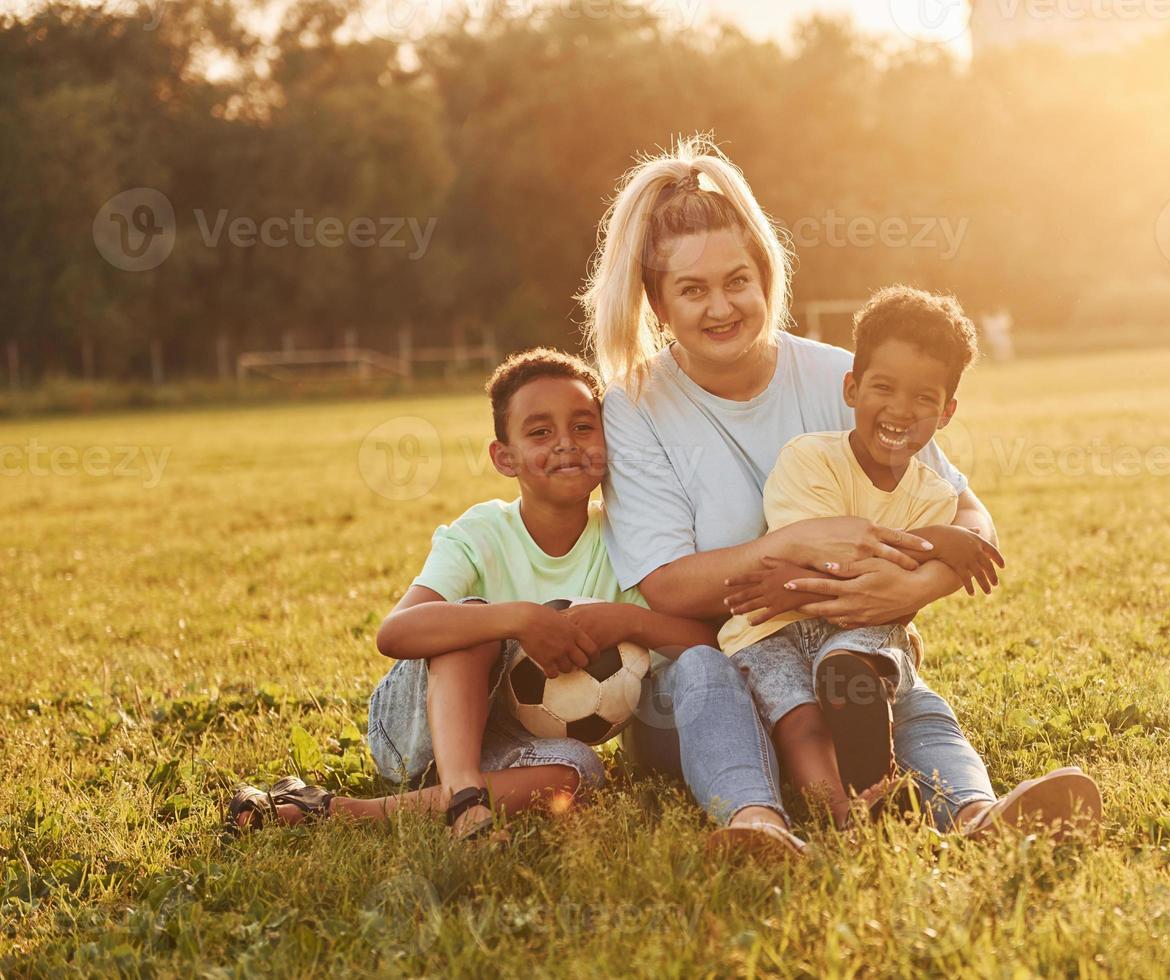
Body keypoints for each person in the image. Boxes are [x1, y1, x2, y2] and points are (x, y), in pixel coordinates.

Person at [581, 136, 1102, 856]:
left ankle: (978, 815)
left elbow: (964, 513)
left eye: (738, 280)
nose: (723, 306)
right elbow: (666, 583)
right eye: (693, 290)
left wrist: (909, 589)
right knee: (711, 678)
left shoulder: (840, 378)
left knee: (896, 684)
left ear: (765, 275)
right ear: (658, 303)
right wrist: (788, 548)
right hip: (716, 676)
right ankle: (758, 824)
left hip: (835, 669)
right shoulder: (635, 406)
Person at [226, 348, 717, 840]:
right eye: (540, 432)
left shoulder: (626, 540)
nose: (567, 443)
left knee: (579, 772)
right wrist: (518, 619)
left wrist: (628, 620)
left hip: (512, 745)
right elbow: (395, 632)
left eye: (584, 426)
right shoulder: (483, 531)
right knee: (473, 621)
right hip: (414, 734)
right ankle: (463, 798)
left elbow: (704, 640)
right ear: (505, 457)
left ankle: (345, 810)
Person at [719, 284, 1023, 829]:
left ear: (947, 412)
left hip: (861, 635)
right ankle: (850, 818)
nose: (901, 410)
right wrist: (934, 543)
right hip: (772, 629)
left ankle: (971, 811)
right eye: (883, 387)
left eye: (924, 399)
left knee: (883, 666)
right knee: (802, 723)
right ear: (852, 388)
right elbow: (820, 567)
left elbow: (866, 593)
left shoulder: (933, 492)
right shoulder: (810, 460)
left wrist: (920, 552)